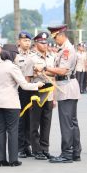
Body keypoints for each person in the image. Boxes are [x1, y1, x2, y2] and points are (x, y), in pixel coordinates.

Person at [0, 50, 44, 167]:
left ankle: (0, 159)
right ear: (12, 55)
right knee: (12, 130)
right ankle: (13, 160)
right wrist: (38, 84)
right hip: (10, 102)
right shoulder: (13, 67)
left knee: (0, 129)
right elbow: (24, 85)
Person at [46, 25, 82, 163]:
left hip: (66, 87)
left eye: (55, 37)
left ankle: (67, 153)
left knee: (66, 123)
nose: (55, 40)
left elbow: (62, 70)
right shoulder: (64, 49)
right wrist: (44, 71)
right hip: (68, 86)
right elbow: (56, 71)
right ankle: (75, 152)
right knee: (72, 122)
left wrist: (45, 68)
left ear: (61, 34)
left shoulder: (66, 50)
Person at [25, 32, 55, 160]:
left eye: (46, 42)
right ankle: (36, 150)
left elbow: (54, 78)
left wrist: (55, 98)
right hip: (36, 94)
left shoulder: (51, 57)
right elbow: (27, 78)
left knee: (46, 123)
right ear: (36, 43)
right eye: (42, 42)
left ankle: (45, 148)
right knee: (35, 123)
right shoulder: (31, 58)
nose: (45, 44)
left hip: (49, 94)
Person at [14, 31, 35, 158]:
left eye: (28, 41)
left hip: (32, 89)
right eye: (24, 40)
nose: (27, 43)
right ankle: (19, 147)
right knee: (20, 119)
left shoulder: (33, 55)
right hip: (19, 90)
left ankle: (27, 145)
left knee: (30, 119)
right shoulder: (14, 56)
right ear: (19, 42)